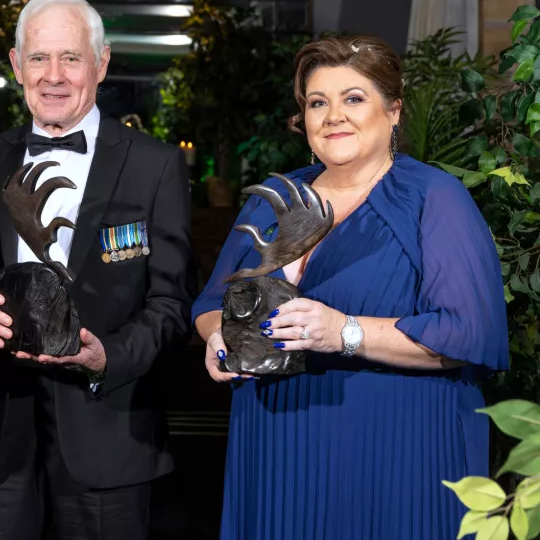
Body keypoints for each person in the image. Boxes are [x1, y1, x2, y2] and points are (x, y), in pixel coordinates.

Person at [193, 35, 509, 539]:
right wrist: (217, 336)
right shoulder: (273, 197)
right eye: (318, 102)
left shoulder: (433, 198)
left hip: (396, 450)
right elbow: (213, 303)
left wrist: (345, 331)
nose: (333, 115)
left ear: (394, 111)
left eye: (353, 99)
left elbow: (466, 332)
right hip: (275, 442)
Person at [0, 0, 194, 540]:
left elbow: (171, 305)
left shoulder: (156, 166)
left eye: (70, 58)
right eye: (38, 58)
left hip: (110, 431)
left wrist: (108, 358)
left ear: (101, 64)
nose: (53, 76)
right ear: (16, 64)